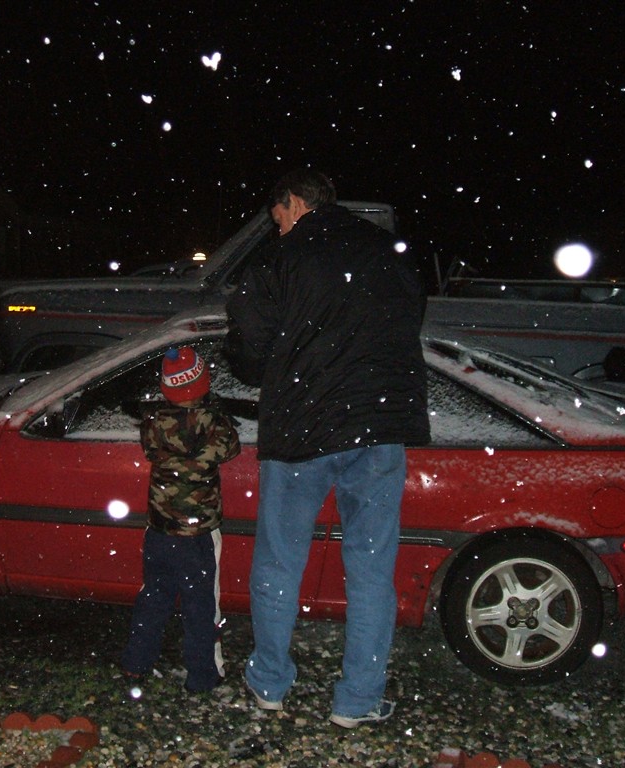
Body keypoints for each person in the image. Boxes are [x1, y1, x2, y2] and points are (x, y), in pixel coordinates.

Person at [224, 168, 430, 727]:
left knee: (278, 560)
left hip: (302, 427)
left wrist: (273, 365)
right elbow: (408, 323)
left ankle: (269, 683)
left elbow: (248, 342)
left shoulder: (282, 258)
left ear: (294, 202)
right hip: (379, 426)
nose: (278, 227)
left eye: (278, 216)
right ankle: (358, 700)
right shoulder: (389, 252)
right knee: (371, 569)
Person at [121, 346, 241, 693]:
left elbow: (153, 447)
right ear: (203, 383)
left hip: (159, 531)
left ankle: (136, 662)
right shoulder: (212, 422)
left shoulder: (153, 423)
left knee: (154, 596)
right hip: (197, 535)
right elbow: (231, 447)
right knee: (200, 607)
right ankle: (202, 675)